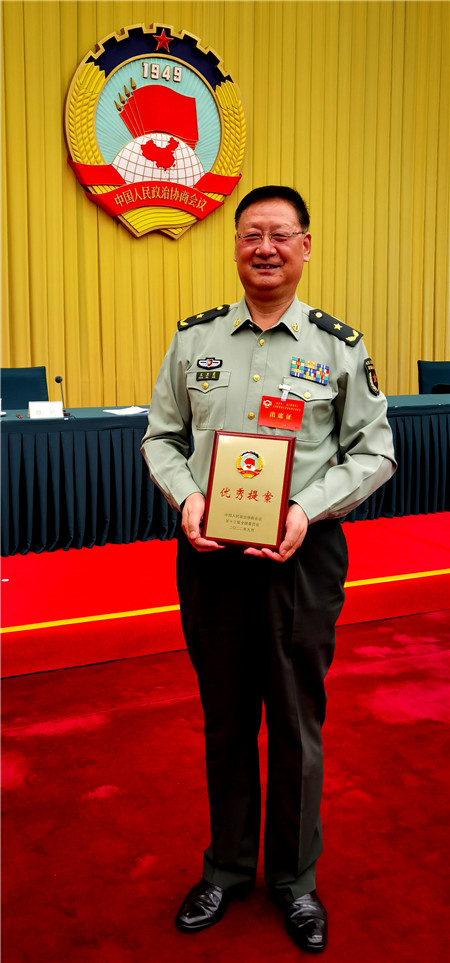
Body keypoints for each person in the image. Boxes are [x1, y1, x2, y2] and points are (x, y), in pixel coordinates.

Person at [141, 186, 396, 954]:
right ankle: (226, 867)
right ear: (235, 245)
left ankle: (294, 879)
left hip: (301, 557)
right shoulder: (194, 341)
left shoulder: (337, 347)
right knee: (224, 719)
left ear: (305, 246)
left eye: (280, 234)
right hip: (211, 558)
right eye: (251, 233)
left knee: (293, 723)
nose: (265, 248)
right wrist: (187, 497)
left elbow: (376, 452)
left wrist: (306, 508)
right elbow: (161, 437)